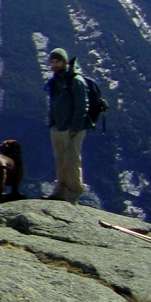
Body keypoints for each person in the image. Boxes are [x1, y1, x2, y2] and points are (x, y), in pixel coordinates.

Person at [45, 48, 90, 204]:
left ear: (65, 62)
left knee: (72, 160)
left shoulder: (75, 80)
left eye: (57, 61)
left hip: (73, 127)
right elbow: (53, 103)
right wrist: (52, 124)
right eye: (52, 62)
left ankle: (75, 191)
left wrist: (75, 127)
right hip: (58, 126)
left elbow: (82, 105)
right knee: (60, 159)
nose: (55, 65)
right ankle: (60, 189)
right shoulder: (55, 81)